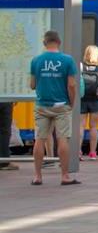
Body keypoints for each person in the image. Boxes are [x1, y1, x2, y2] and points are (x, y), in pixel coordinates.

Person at [28, 29, 78, 186]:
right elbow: (71, 84)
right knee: (62, 139)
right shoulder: (67, 60)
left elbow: (32, 85)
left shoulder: (36, 60)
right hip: (62, 105)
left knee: (40, 139)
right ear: (59, 42)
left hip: (42, 105)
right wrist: (72, 103)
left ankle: (37, 176)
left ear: (44, 43)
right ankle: (64, 176)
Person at [77, 43, 98, 161]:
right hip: (96, 100)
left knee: (80, 126)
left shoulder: (80, 66)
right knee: (94, 127)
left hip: (82, 99)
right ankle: (92, 153)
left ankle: (78, 152)